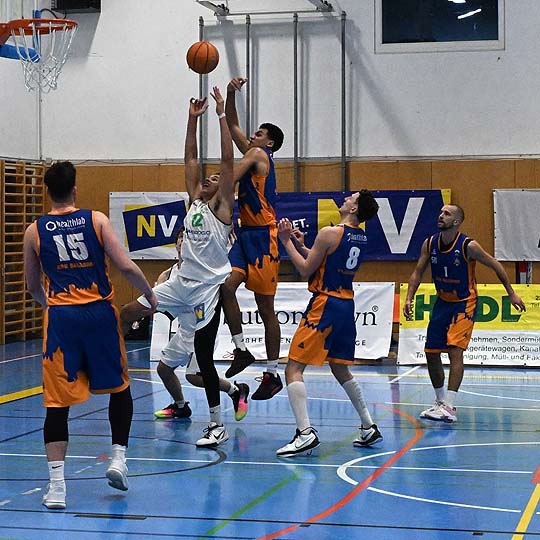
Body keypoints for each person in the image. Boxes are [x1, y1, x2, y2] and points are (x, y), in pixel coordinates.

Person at [23, 161, 158, 510]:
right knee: (120, 387)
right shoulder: (96, 220)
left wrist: (54, 306)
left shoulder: (34, 231)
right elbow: (125, 265)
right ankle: (118, 458)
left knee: (57, 403)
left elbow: (32, 285)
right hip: (99, 314)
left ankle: (57, 488)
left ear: (47, 191)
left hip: (61, 319)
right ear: (75, 189)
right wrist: (149, 294)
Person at [121, 87, 237, 447]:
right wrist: (192, 119)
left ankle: (217, 424)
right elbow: (190, 158)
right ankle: (109, 362)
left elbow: (228, 162)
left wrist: (221, 114)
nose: (209, 179)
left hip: (206, 292)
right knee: (126, 312)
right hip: (179, 284)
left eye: (214, 179)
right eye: (207, 177)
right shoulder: (195, 204)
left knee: (203, 360)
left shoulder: (222, 209)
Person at [275, 191, 382, 458]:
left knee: (293, 368)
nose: (346, 199)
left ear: (354, 209)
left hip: (325, 304)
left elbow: (305, 269)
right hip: (346, 305)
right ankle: (368, 426)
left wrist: (285, 241)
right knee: (340, 368)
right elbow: (324, 261)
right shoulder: (360, 236)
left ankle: (305, 433)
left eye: (351, 198)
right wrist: (302, 246)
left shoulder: (329, 232)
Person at [403, 204, 526, 423]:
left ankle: (450, 406)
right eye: (441, 212)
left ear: (457, 221)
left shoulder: (469, 246)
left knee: (454, 350)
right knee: (431, 352)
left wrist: (511, 293)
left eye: (447, 214)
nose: (441, 216)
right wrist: (409, 298)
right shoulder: (430, 243)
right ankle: (440, 402)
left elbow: (495, 265)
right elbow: (417, 272)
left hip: (464, 303)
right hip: (442, 302)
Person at [221, 76, 285, 401]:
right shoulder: (254, 151)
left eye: (259, 133)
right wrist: (230, 93)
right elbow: (233, 124)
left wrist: (209, 193)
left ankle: (272, 373)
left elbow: (230, 177)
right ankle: (241, 349)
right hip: (245, 234)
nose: (252, 136)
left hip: (264, 238)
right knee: (225, 287)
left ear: (269, 143)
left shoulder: (259, 155)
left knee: (266, 309)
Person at [152, 227, 249, 422]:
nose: (182, 242)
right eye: (180, 238)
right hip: (183, 333)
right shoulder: (167, 275)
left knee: (194, 377)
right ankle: (180, 407)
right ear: (176, 245)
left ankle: (236, 390)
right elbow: (160, 306)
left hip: (204, 331)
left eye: (186, 238)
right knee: (163, 369)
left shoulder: (205, 270)